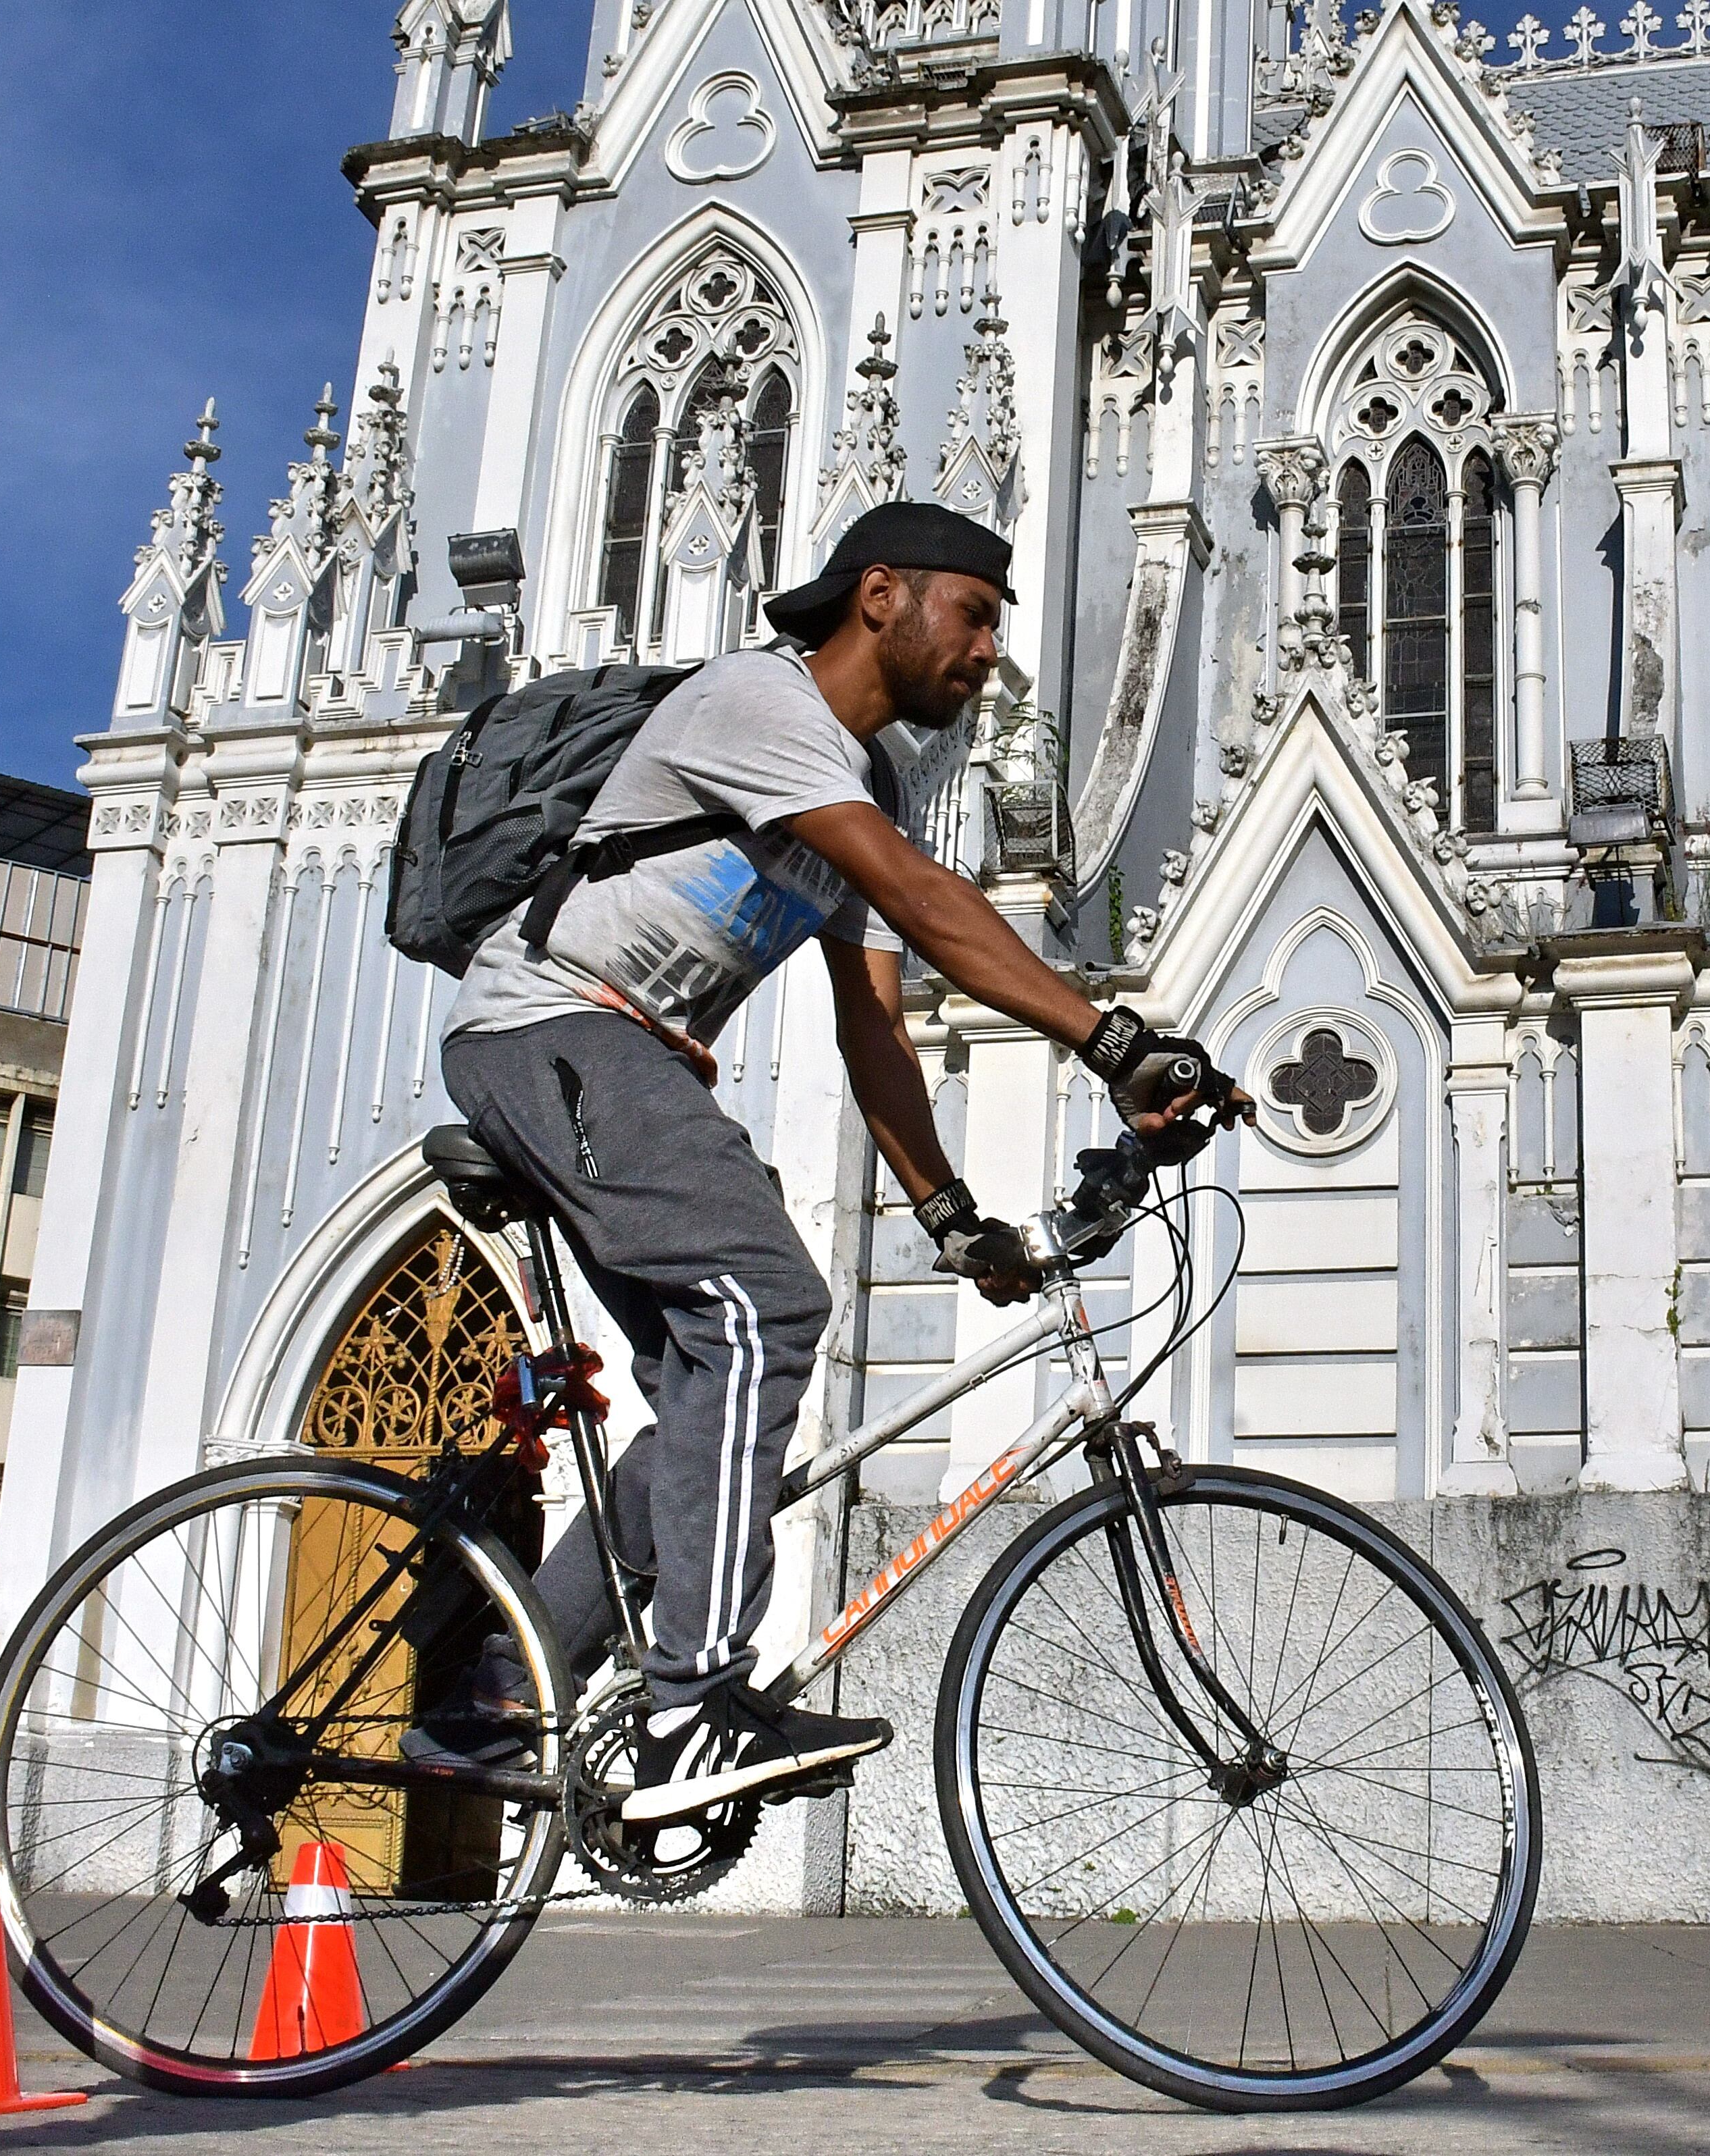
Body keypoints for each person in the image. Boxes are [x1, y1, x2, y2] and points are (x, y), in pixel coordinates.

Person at [411, 502, 1245, 1824]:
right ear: (879, 597)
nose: (987, 650)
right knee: (770, 1303)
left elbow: (875, 1019)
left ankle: (488, 1699)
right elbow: (926, 905)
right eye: (970, 614)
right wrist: (1109, 1038)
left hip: (621, 1060)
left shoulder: (873, 783)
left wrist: (951, 1215)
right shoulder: (759, 701)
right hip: (552, 1029)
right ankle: (692, 1709)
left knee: (707, 1393)